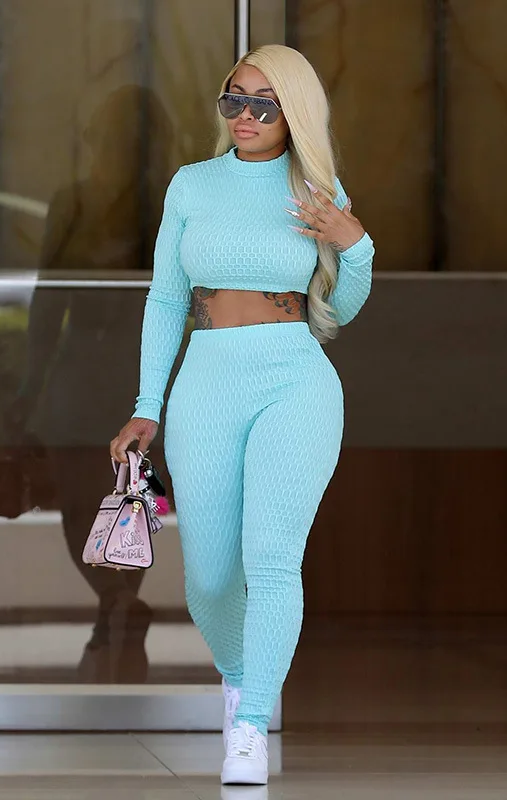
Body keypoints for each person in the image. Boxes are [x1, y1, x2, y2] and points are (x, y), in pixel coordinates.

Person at [110, 44, 375, 785]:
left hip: (295, 380)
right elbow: (166, 300)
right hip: (206, 382)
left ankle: (251, 724)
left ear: (294, 114)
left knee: (271, 556)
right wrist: (146, 408)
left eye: (265, 103)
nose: (247, 115)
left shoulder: (315, 189)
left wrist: (355, 246)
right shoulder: (192, 185)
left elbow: (343, 310)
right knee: (208, 577)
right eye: (236, 99)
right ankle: (242, 679)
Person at [14, 84, 172, 683]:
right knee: (93, 503)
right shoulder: (76, 202)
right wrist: (31, 385)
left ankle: (117, 610)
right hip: (90, 373)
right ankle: (117, 607)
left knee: (123, 502)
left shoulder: (163, 205)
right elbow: (47, 300)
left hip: (130, 373)